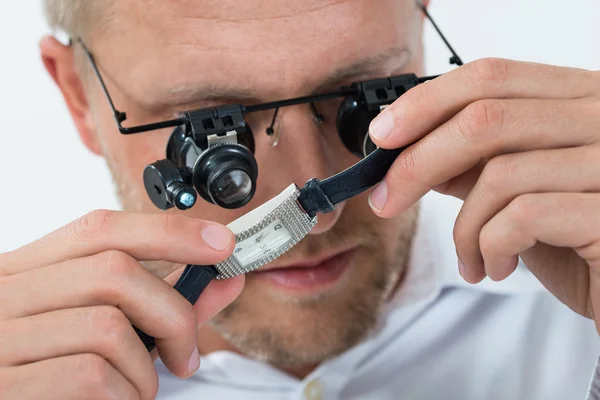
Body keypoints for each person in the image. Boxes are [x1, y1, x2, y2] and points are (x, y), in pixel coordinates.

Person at [1, 0, 599, 398]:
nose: (317, 212)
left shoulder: (577, 305)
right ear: (80, 96)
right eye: (213, 131)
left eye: (364, 106)